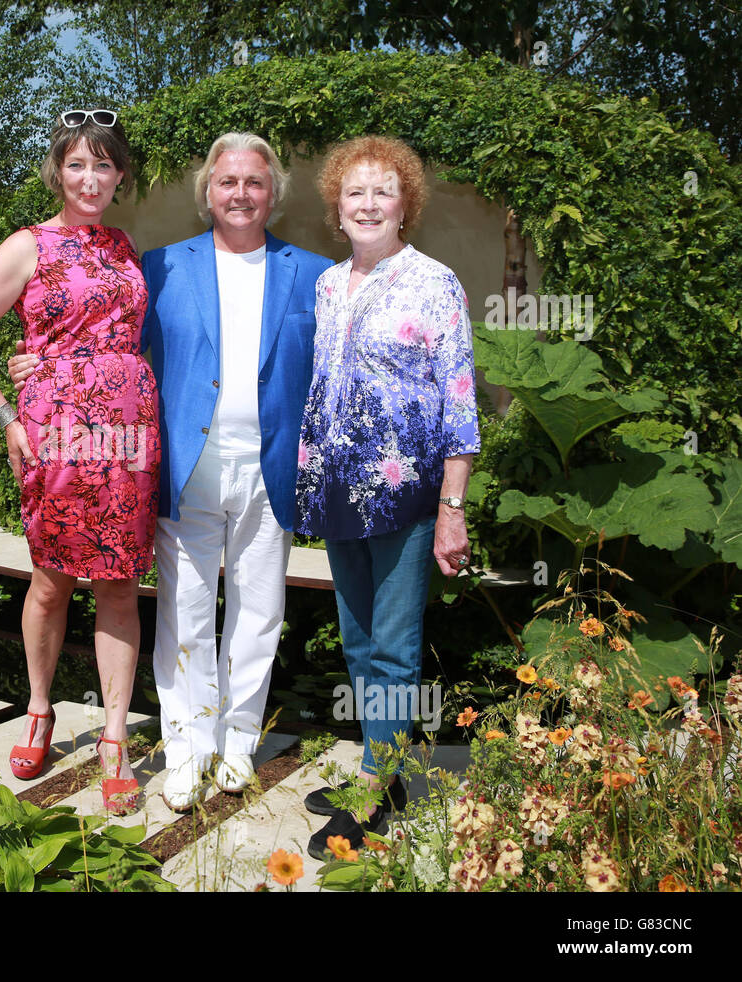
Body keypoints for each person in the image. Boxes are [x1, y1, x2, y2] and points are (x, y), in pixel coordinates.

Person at [12, 133, 332, 812]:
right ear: (206, 193)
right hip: (183, 465)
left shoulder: (314, 273)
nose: (240, 193)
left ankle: (238, 744)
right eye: (227, 182)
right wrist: (34, 364)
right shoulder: (156, 266)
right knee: (185, 613)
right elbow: (95, 335)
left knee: (259, 612)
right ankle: (184, 749)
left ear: (273, 189)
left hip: (271, 467)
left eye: (254, 181)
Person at [0, 109, 160, 815]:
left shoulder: (126, 247)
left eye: (103, 165)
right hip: (56, 437)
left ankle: (115, 739)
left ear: (120, 175)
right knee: (51, 580)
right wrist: (8, 415)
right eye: (76, 164)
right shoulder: (27, 245)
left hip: (126, 436)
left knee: (120, 584)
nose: (90, 178)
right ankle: (38, 708)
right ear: (57, 172)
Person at [295, 134, 480, 858]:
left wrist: (451, 509)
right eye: (355, 192)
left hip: (405, 499)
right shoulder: (328, 285)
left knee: (395, 650)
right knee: (358, 640)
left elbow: (459, 404)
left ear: (407, 204)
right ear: (336, 209)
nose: (368, 204)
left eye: (384, 191)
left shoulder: (435, 283)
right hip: (340, 490)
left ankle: (374, 789)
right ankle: (389, 767)